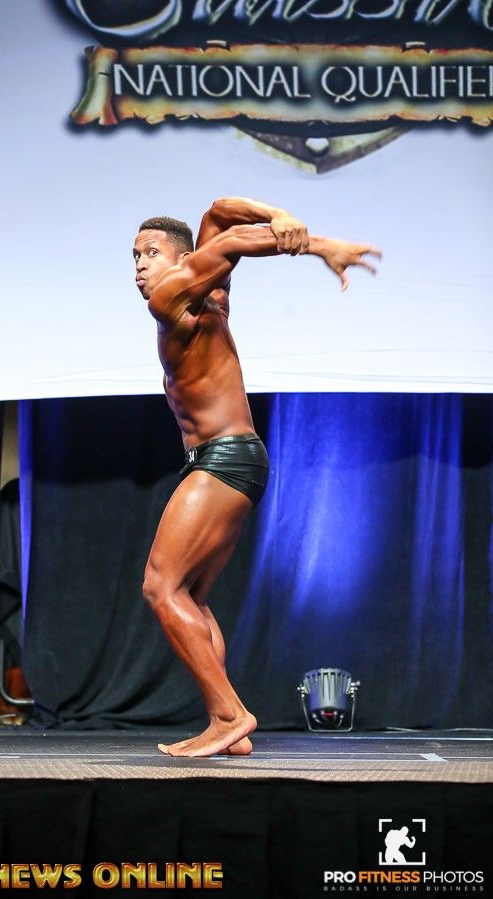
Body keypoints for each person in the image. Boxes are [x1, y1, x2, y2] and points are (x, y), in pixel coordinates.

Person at [134, 197, 381, 757]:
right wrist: (280, 214)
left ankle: (229, 715)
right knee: (191, 596)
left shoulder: (170, 298)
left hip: (223, 459)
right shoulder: (211, 294)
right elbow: (221, 214)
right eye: (135, 256)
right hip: (237, 460)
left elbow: (225, 240)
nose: (141, 266)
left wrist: (314, 242)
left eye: (151, 252)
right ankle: (227, 730)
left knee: (160, 586)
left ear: (183, 262)